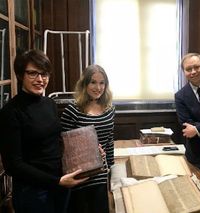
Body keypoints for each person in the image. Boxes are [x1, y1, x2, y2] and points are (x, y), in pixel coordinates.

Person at [0, 49, 87, 213]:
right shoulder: (10, 112)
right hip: (33, 192)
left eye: (44, 74)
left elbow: (56, 143)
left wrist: (88, 153)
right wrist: (56, 181)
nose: (40, 79)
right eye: (33, 74)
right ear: (20, 75)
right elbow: (13, 165)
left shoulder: (49, 104)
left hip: (61, 184)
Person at [60, 64, 115, 213]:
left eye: (102, 83)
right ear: (85, 84)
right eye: (93, 82)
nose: (98, 87)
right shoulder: (72, 110)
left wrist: (111, 168)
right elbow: (63, 146)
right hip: (80, 177)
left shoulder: (109, 109)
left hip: (101, 175)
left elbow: (109, 140)